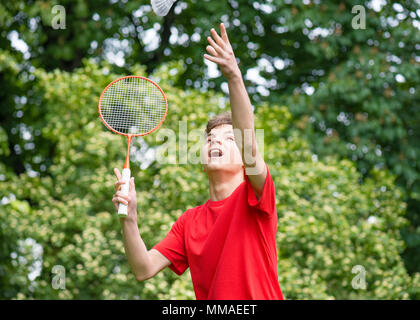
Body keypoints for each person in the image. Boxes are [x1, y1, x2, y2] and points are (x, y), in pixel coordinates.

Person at [112, 23, 284, 300]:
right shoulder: (189, 222)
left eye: (229, 139)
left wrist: (233, 76)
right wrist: (129, 218)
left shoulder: (256, 198)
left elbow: (249, 142)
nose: (215, 142)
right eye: (210, 139)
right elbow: (143, 268)